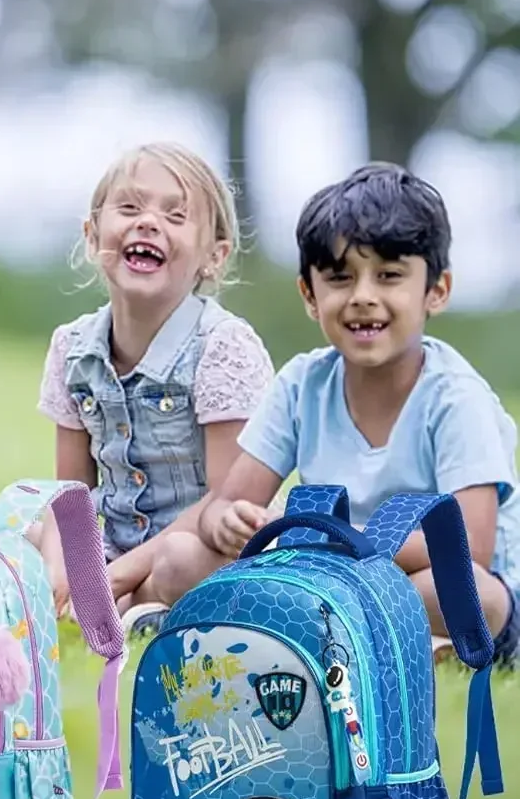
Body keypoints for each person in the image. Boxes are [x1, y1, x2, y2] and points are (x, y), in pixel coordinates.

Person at [200, 163, 520, 665]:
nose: (363, 297)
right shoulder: (303, 385)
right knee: (191, 560)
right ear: (310, 293)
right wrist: (228, 522)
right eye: (339, 278)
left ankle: (361, 637)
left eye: (390, 276)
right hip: (329, 573)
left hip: (443, 584)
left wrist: (340, 545)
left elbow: (470, 548)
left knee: (465, 591)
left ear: (436, 290)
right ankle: (360, 636)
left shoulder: (457, 399)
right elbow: (229, 502)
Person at [35, 142, 274, 633]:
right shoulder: (73, 348)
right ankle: (117, 607)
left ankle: (131, 603)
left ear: (214, 256)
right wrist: (69, 572)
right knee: (29, 535)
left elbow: (227, 497)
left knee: (180, 563)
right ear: (91, 235)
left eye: (176, 215)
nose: (147, 222)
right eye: (128, 207)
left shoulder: (222, 346)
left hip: (203, 544)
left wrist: (114, 576)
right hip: (114, 543)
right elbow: (73, 495)